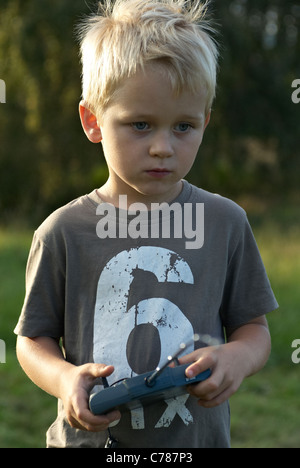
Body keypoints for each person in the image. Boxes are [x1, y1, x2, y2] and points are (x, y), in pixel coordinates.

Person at [15, 0, 278, 448]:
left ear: (205, 122)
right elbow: (32, 339)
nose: (163, 147)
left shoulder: (226, 223)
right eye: (140, 125)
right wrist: (63, 379)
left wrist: (236, 357)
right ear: (93, 121)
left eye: (183, 127)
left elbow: (254, 330)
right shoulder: (63, 231)